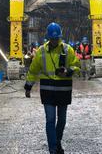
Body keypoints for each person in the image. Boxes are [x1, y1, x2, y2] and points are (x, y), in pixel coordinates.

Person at [25, 22, 80, 154]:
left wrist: (67, 71)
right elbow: (33, 70)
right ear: (49, 38)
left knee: (62, 120)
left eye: (56, 38)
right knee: (50, 120)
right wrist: (28, 86)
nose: (54, 40)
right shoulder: (41, 51)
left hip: (63, 91)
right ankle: (53, 149)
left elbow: (77, 67)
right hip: (48, 91)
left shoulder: (68, 50)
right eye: (52, 38)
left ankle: (57, 142)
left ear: (59, 37)